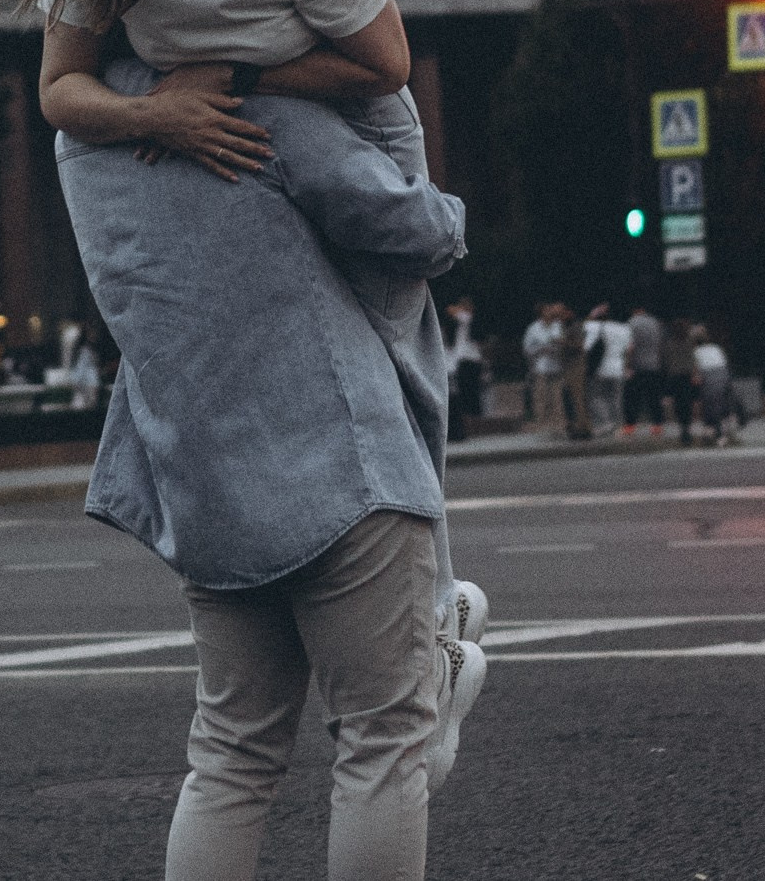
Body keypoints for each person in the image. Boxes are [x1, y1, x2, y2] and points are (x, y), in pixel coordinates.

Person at [61, 58, 473, 881]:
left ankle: (447, 643)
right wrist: (444, 201)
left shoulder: (84, 138)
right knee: (383, 738)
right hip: (340, 463)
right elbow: (421, 232)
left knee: (230, 753)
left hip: (201, 479)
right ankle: (443, 648)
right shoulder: (258, 110)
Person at [580, 303, 628, 436]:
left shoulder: (596, 327)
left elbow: (585, 345)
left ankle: (605, 422)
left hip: (600, 369)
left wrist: (592, 315)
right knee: (616, 398)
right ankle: (618, 425)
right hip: (618, 369)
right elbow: (629, 349)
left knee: (595, 397)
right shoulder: (625, 329)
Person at [521, 302, 569, 433]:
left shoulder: (558, 326)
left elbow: (565, 343)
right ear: (541, 312)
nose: (551, 312)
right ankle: (540, 423)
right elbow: (527, 348)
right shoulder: (534, 328)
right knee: (540, 395)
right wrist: (540, 350)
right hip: (540, 366)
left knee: (557, 396)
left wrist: (558, 347)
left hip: (557, 365)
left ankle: (558, 423)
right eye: (547, 310)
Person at [689, 324, 737, 446]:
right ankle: (720, 431)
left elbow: (696, 372)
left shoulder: (696, 352)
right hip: (723, 374)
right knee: (722, 403)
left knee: (711, 405)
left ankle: (717, 434)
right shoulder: (715, 348)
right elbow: (724, 363)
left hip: (709, 377)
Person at [621, 306, 664, 436]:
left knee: (632, 398)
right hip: (654, 364)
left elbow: (630, 346)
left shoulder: (632, 323)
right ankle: (657, 425)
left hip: (637, 365)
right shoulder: (655, 322)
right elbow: (660, 344)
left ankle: (630, 426)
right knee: (654, 396)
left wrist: (627, 365)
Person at [444, 299, 483, 442]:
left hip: (465, 362)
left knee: (463, 397)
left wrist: (459, 308)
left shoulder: (466, 319)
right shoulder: (460, 325)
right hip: (460, 361)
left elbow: (451, 310)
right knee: (460, 397)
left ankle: (462, 429)